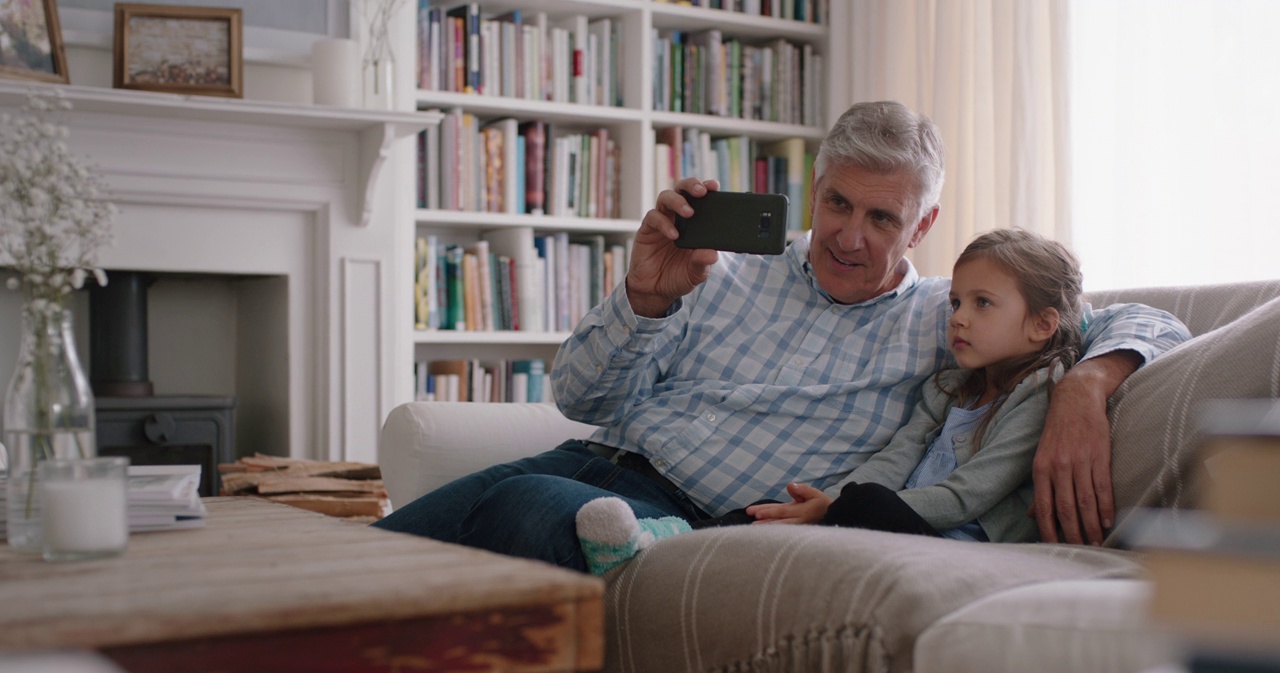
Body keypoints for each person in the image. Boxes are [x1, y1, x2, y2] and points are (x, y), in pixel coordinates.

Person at [374, 101, 1190, 570]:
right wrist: (644, 299)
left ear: (924, 223)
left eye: (882, 218)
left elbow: (1139, 318)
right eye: (838, 204)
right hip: (587, 462)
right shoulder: (717, 268)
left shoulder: (953, 318)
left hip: (686, 522)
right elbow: (578, 397)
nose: (851, 237)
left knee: (520, 505)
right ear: (813, 190)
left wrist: (1089, 381)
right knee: (368, 561)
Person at [573, 229, 1085, 574]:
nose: (957, 317)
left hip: (964, 538)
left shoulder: (1040, 392)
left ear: (1043, 324)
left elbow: (968, 494)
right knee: (775, 512)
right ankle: (662, 543)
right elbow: (895, 457)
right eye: (955, 302)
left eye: (982, 304)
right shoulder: (950, 386)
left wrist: (846, 508)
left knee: (861, 504)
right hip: (899, 518)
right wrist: (823, 503)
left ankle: (673, 545)